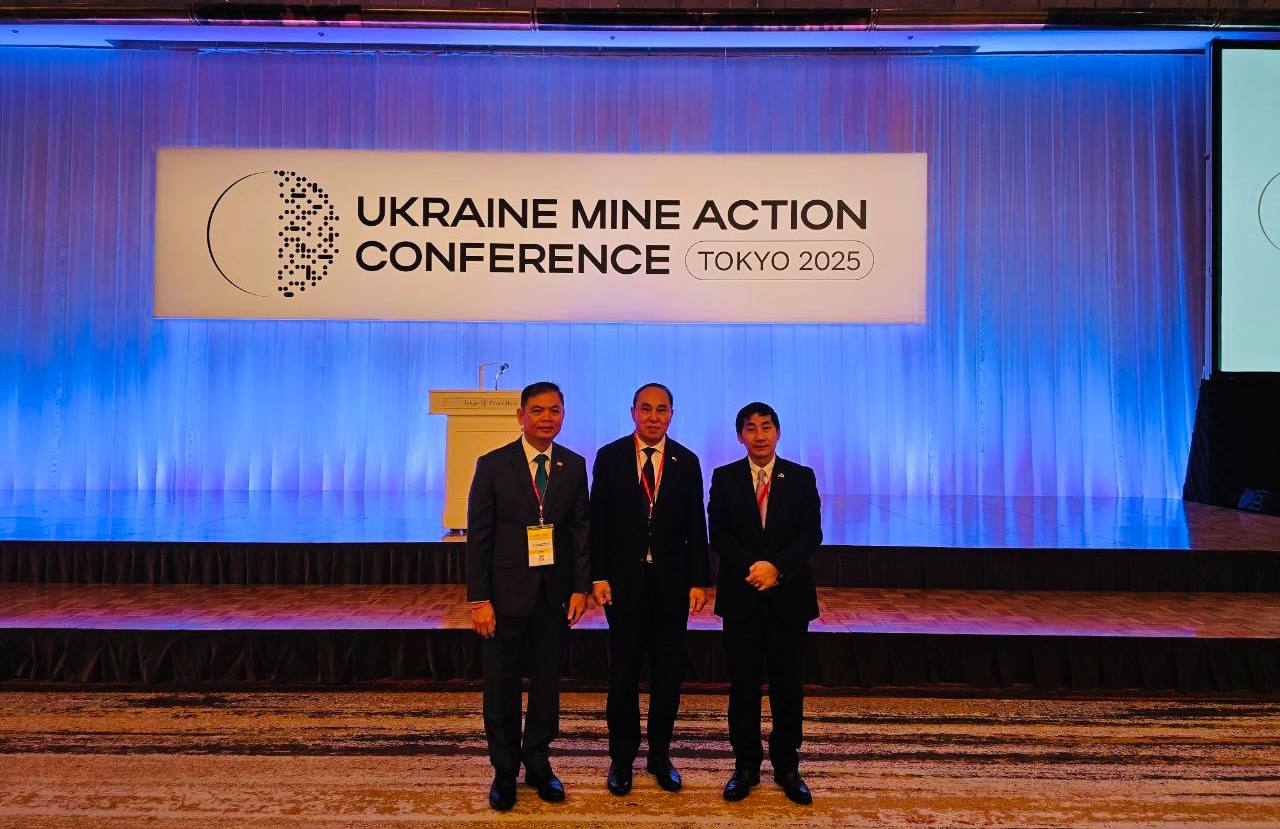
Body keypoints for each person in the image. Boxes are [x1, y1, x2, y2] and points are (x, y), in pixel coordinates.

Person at [466, 381, 591, 811]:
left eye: (554, 410)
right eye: (537, 410)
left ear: (563, 415)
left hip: (553, 597)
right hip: (503, 597)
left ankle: (538, 761)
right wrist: (479, 600)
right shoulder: (493, 465)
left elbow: (580, 531)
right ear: (520, 416)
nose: (546, 418)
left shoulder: (574, 465)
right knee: (501, 686)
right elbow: (479, 538)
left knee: (546, 686)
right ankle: (504, 771)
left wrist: (580, 587)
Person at [590, 383, 709, 796]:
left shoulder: (687, 461)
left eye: (661, 409)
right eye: (646, 408)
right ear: (633, 413)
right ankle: (622, 759)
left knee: (667, 676)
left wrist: (699, 580)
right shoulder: (609, 457)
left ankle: (660, 756)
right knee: (623, 675)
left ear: (671, 414)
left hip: (671, 587)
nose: (653, 416)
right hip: (623, 586)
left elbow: (696, 525)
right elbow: (598, 522)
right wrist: (598, 576)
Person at [708, 401, 822, 805]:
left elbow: (811, 535)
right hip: (742, 597)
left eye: (766, 427)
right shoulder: (724, 478)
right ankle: (745, 767)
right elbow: (719, 534)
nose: (759, 435)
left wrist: (778, 569)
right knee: (743, 686)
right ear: (740, 436)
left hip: (789, 599)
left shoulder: (801, 477)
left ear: (778, 432)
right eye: (751, 428)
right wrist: (754, 568)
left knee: (788, 687)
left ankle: (788, 767)